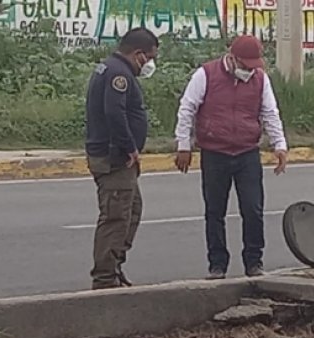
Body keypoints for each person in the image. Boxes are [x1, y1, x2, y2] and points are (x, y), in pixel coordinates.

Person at [174, 35, 288, 280]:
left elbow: (270, 112)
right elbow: (187, 108)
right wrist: (184, 144)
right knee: (215, 211)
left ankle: (254, 262)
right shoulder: (206, 74)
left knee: (253, 209)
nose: (249, 70)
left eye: (253, 65)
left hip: (247, 152)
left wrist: (280, 144)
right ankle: (217, 265)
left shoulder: (260, 79)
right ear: (233, 58)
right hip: (215, 153)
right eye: (246, 65)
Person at [84, 27, 159, 290]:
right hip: (114, 158)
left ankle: (114, 266)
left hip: (117, 157)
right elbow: (114, 113)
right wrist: (129, 147)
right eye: (149, 58)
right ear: (138, 54)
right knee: (116, 216)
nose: (150, 64)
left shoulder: (111, 68)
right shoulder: (118, 73)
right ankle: (104, 280)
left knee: (132, 210)